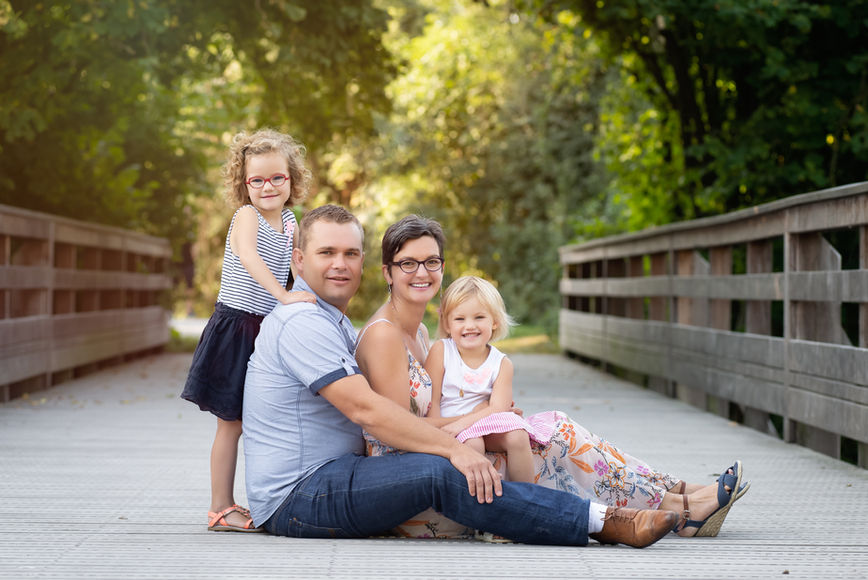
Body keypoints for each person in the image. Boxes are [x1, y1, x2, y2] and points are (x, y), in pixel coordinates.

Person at [242, 204, 678, 547]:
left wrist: (485, 424)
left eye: (350, 253)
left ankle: (670, 500)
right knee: (445, 472)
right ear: (299, 259)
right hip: (300, 494)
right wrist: (457, 448)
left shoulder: (331, 319)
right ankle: (604, 522)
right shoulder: (301, 321)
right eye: (327, 253)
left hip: (338, 473)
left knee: (533, 437)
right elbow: (366, 410)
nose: (341, 264)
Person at [355, 214, 750, 540]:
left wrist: (493, 415)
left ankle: (677, 494)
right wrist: (483, 415)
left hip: (445, 455)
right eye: (408, 263)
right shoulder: (385, 335)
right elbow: (399, 435)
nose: (421, 272)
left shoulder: (421, 333)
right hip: (423, 494)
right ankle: (680, 508)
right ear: (388, 272)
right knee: (554, 445)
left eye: (432, 262)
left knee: (551, 429)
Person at [181, 129, 316, 532]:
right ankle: (219, 507)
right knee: (231, 422)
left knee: (262, 417)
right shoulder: (247, 217)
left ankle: (272, 493)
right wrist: (283, 295)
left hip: (266, 329)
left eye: (277, 177)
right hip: (236, 327)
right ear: (244, 185)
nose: (268, 186)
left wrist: (305, 298)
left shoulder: (290, 221)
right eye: (256, 180)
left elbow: (297, 269)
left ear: (292, 179)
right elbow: (250, 257)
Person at [423, 275, 541, 484]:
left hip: (486, 424)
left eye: (479, 317)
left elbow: (498, 408)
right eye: (460, 319)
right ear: (447, 324)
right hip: (449, 426)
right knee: (473, 442)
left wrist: (467, 421)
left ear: (494, 321)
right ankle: (481, 503)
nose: (470, 326)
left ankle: (526, 499)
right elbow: (431, 408)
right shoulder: (442, 351)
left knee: (518, 435)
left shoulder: (502, 364)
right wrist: (455, 427)